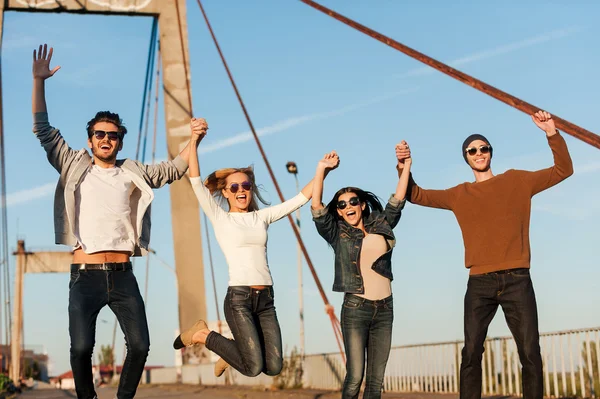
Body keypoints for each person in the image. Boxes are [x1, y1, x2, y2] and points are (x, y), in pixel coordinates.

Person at [32, 44, 201, 399]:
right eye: (100, 135)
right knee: (80, 350)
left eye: (113, 135)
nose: (106, 139)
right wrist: (39, 82)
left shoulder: (132, 171)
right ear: (90, 139)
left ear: (120, 140)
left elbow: (174, 169)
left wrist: (194, 140)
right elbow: (43, 129)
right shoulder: (73, 164)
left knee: (140, 345)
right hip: (85, 276)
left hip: (123, 275)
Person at [395, 111, 573, 399]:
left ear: (491, 152)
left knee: (530, 352)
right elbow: (416, 195)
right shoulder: (459, 194)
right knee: (471, 352)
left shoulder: (517, 180)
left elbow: (563, 170)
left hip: (517, 279)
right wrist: (404, 166)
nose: (479, 153)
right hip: (479, 282)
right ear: (466, 157)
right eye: (472, 150)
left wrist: (551, 133)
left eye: (484, 148)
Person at [173, 118, 340, 378]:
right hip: (239, 298)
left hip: (266, 300)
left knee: (273, 367)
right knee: (252, 368)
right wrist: (194, 140)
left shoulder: (260, 217)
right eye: (235, 187)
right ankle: (204, 335)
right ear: (226, 192)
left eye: (246, 186)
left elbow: (301, 198)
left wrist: (322, 170)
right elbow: (195, 180)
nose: (242, 190)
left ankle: (231, 351)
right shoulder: (220, 217)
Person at [310, 146, 411, 399]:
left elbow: (397, 201)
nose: (348, 206)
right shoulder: (337, 234)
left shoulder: (380, 223)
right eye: (342, 205)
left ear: (363, 205)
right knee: (355, 377)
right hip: (356, 309)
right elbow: (318, 209)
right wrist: (321, 170)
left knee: (376, 382)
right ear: (339, 212)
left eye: (353, 201)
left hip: (385, 308)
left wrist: (406, 165)